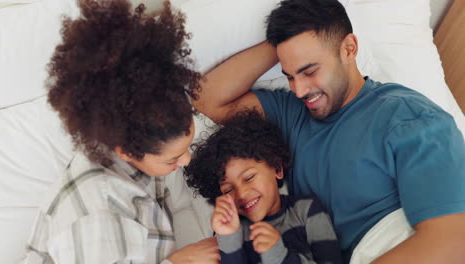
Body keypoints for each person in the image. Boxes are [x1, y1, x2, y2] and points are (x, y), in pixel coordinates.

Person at [193, 0, 465, 263]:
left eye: (309, 70)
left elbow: (451, 242)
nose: (299, 89)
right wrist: (283, 40)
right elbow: (207, 99)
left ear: (349, 48)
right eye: (289, 75)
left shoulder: (409, 117)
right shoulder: (292, 114)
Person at [23, 0, 219, 263]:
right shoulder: (97, 216)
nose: (186, 161)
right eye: (172, 159)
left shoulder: (132, 143)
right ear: (127, 152)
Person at [184, 110, 343, 264]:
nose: (241, 193)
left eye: (249, 178)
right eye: (228, 190)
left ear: (277, 169)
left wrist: (279, 256)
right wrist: (228, 238)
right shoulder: (230, 229)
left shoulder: (306, 211)